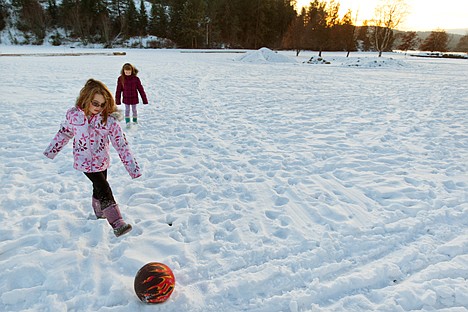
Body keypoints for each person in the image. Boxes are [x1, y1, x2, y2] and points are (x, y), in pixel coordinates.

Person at [44, 78, 141, 237]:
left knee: (98, 188)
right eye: (95, 103)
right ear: (86, 99)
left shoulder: (108, 121)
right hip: (83, 161)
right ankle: (117, 223)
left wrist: (133, 168)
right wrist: (52, 151)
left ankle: (100, 213)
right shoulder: (74, 118)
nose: (99, 108)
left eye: (102, 104)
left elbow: (121, 144)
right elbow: (65, 133)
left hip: (101, 161)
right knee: (104, 188)